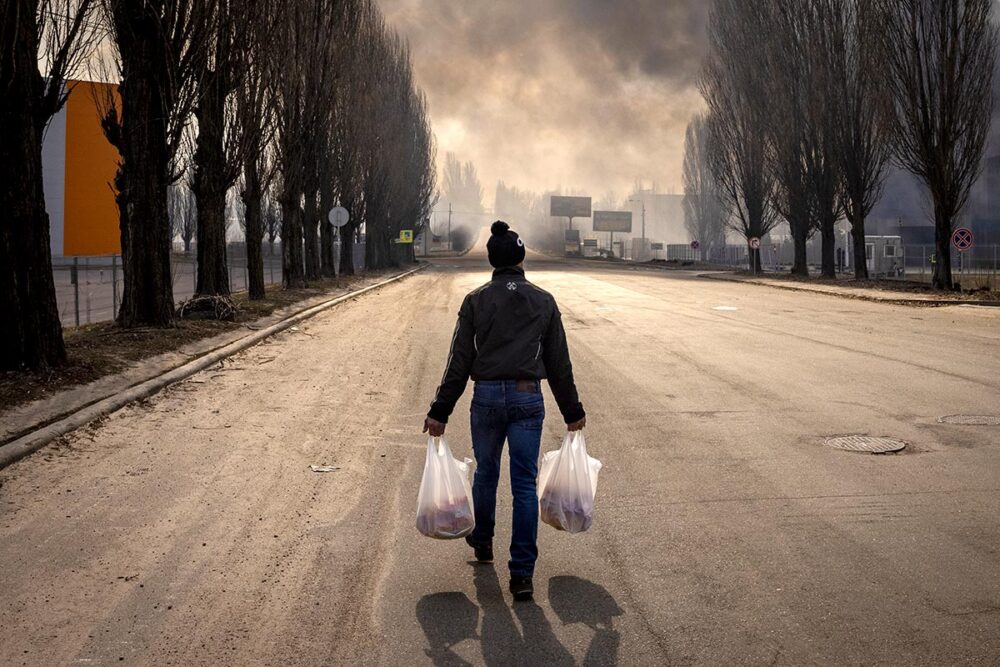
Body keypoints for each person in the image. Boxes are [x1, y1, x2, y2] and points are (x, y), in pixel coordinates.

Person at [424, 220, 586, 602]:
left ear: (493, 260)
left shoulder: (476, 300)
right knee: (524, 487)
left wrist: (440, 411)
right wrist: (572, 410)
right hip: (528, 398)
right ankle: (522, 574)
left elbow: (458, 362)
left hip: (487, 399)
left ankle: (482, 541)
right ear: (522, 256)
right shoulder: (543, 301)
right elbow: (559, 363)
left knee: (486, 475)